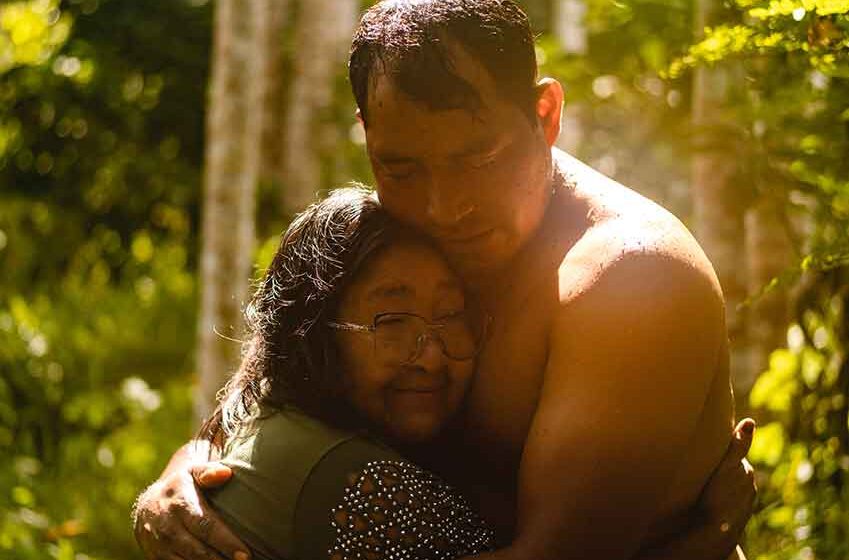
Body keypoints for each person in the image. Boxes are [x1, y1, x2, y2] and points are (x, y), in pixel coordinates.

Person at [134, 1, 757, 559]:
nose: (443, 207)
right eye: (400, 167)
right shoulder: (413, 241)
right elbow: (280, 381)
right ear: (368, 135)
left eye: (478, 160)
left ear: (545, 113)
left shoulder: (631, 280)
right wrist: (184, 473)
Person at [196, 187, 495, 559]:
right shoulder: (371, 486)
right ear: (315, 331)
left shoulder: (267, 418)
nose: (430, 358)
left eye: (450, 314)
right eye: (393, 323)